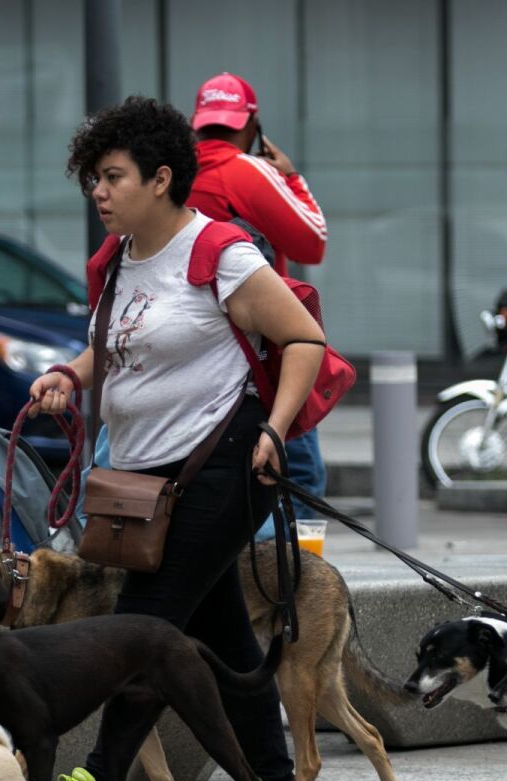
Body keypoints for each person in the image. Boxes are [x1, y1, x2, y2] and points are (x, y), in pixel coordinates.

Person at [30, 96, 327, 781]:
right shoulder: (118, 260)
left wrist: (276, 429)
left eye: (113, 177)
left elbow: (304, 339)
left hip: (223, 465)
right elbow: (115, 347)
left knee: (142, 628)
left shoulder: (219, 253)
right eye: (93, 179)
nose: (99, 192)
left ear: (161, 179)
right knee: (220, 632)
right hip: (146, 482)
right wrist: (69, 373)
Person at [187, 72, 330, 531]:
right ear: (252, 126)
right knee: (299, 472)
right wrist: (291, 177)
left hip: (195, 350)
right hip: (261, 350)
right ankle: (288, 569)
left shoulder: (171, 177)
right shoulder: (246, 171)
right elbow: (313, 243)